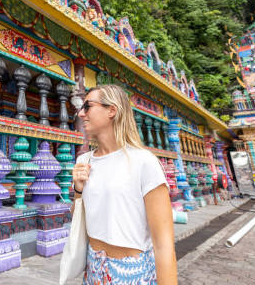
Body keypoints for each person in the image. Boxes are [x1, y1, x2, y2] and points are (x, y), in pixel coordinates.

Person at [71, 85, 176, 285]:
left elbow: (163, 244)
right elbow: (78, 219)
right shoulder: (84, 160)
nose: (81, 113)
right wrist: (78, 189)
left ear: (112, 110)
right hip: (93, 269)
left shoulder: (144, 162)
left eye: (88, 106)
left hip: (132, 273)